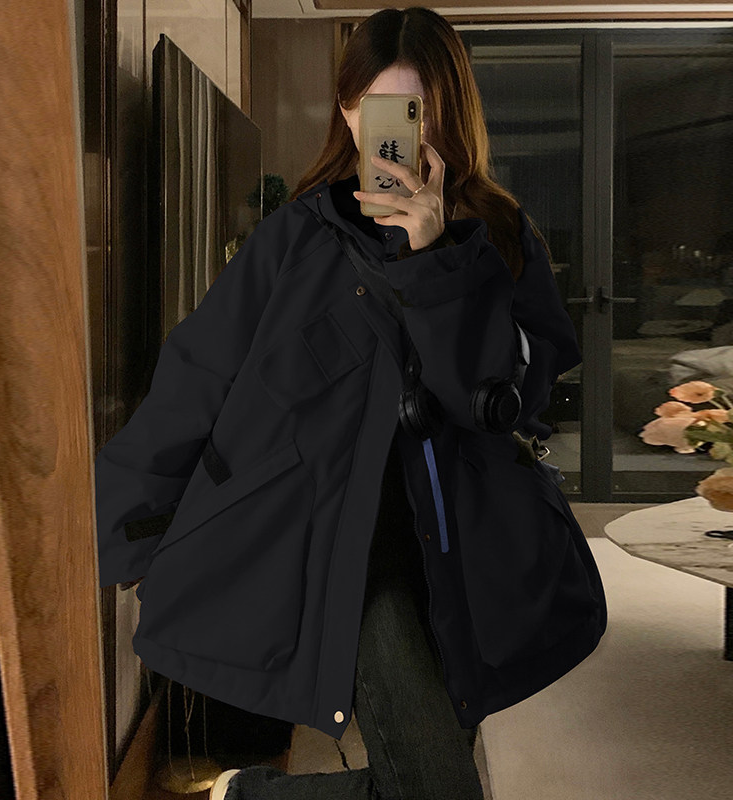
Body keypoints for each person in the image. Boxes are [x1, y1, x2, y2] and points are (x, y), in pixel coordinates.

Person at [207, 6, 546, 799]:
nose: (390, 132)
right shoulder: (306, 233)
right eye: (373, 106)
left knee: (424, 778)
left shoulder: (500, 233)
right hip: (354, 544)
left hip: (464, 544)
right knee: (437, 787)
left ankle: (247, 795)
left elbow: (513, 397)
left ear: (447, 110)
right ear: (347, 110)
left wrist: (433, 261)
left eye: (411, 108)